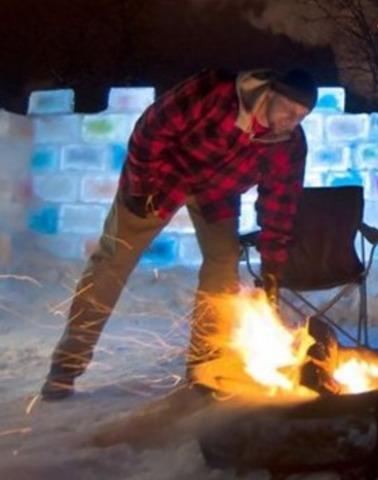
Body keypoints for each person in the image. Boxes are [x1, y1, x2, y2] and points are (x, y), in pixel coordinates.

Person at [40, 68, 317, 400]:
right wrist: (142, 189)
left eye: (301, 116)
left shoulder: (289, 145)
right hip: (159, 179)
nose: (292, 120)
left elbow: (280, 205)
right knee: (114, 259)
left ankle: (206, 365)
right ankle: (67, 365)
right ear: (268, 94)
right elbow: (149, 132)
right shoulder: (214, 92)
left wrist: (273, 265)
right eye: (288, 109)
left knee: (224, 260)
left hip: (215, 194)